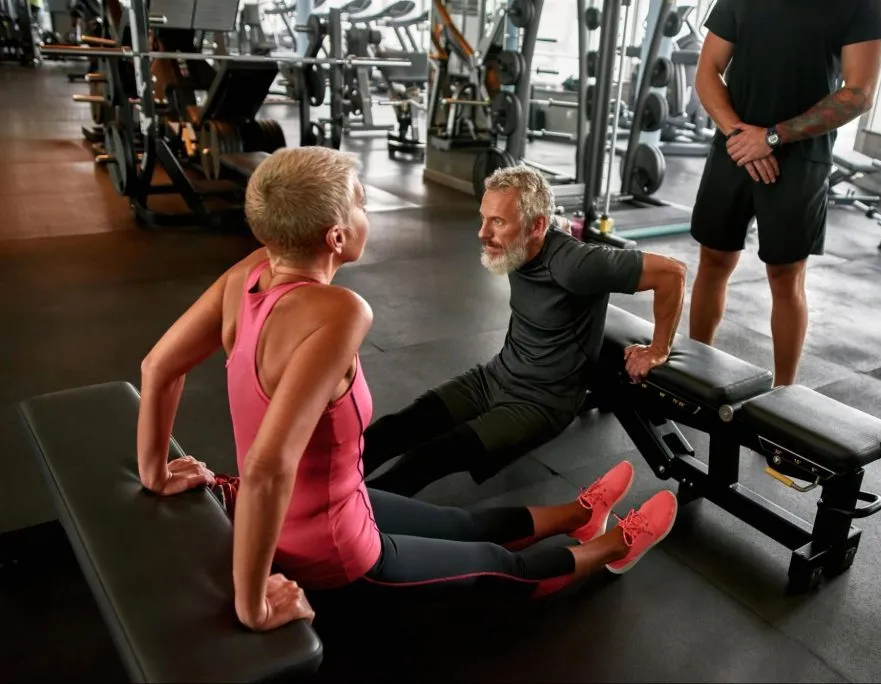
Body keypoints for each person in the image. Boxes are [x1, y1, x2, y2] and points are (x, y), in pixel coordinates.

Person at [134, 147, 680, 633]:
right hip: (338, 551)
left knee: (462, 525)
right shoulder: (341, 312)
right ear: (337, 236)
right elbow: (264, 468)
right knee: (499, 566)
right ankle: (618, 545)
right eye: (362, 204)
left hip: (338, 501)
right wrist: (251, 603)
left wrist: (155, 471)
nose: (368, 210)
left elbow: (158, 365)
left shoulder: (247, 275)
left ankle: (578, 514)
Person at [361, 166, 688, 497]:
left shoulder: (576, 265)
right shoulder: (519, 246)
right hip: (496, 375)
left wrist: (658, 349)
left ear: (536, 227)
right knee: (397, 427)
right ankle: (316, 488)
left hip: (541, 403)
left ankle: (345, 523)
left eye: (498, 222)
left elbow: (672, 273)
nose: (482, 233)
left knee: (425, 459)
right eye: (484, 218)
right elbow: (547, 224)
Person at [689, 0, 881, 386]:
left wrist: (771, 137)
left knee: (785, 275)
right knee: (713, 259)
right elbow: (708, 70)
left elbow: (859, 92)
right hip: (734, 145)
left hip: (800, 156)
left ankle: (785, 396)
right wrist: (739, 136)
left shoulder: (866, 3)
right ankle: (694, 377)